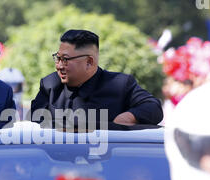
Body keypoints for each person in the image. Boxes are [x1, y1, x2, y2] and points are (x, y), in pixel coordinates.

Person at [29, 29, 163, 127]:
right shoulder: (50, 85)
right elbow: (34, 124)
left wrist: (130, 117)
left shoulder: (120, 85)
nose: (59, 66)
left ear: (89, 62)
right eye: (57, 58)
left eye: (65, 60)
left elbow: (153, 107)